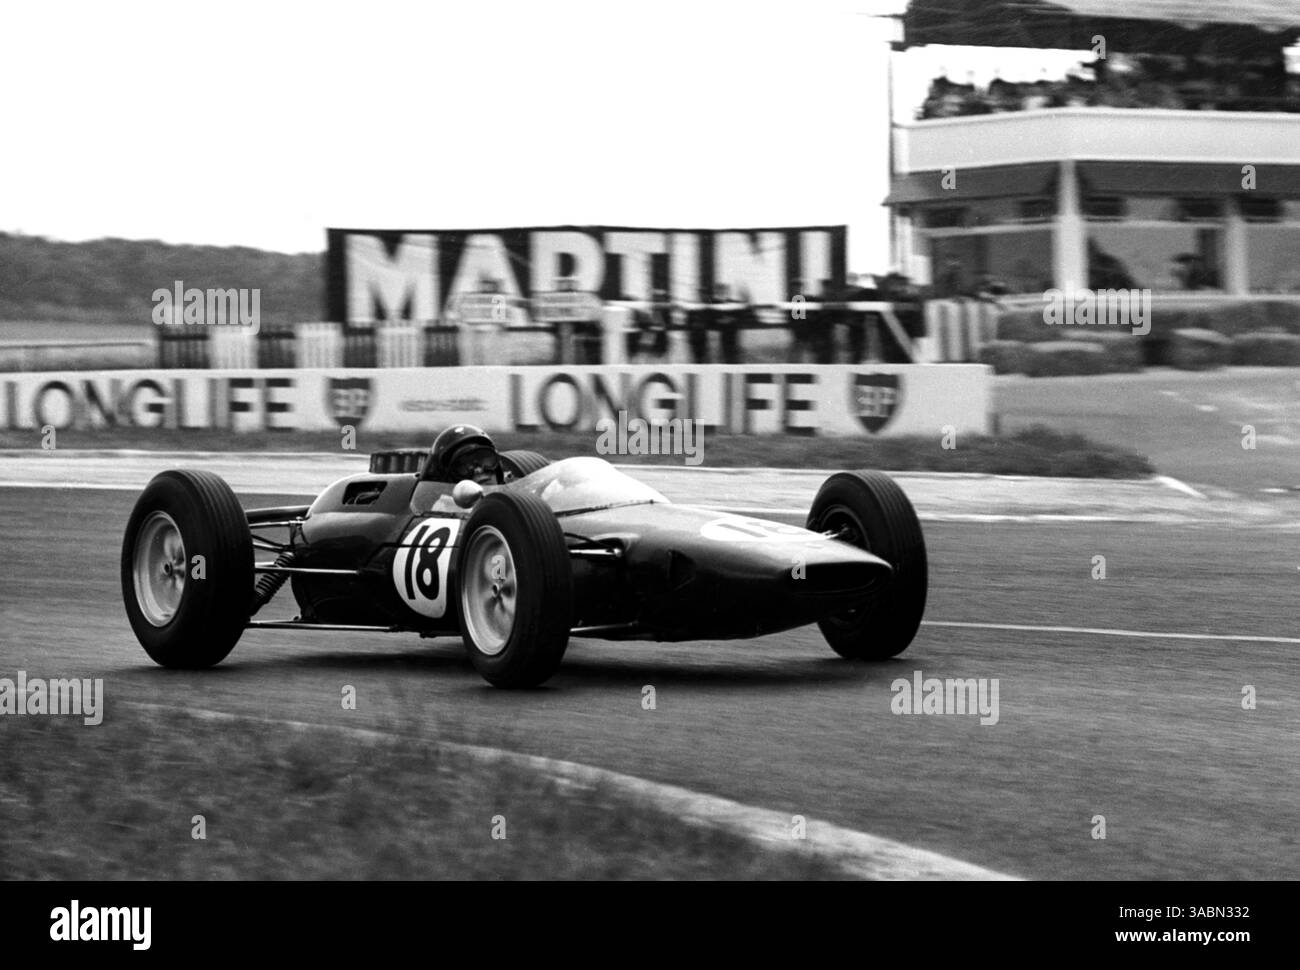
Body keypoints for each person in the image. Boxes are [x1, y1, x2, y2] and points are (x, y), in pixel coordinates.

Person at [426, 424, 503, 486]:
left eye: (484, 459)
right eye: (464, 466)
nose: (478, 470)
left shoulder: (512, 499)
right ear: (451, 479)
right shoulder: (443, 505)